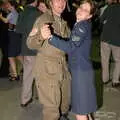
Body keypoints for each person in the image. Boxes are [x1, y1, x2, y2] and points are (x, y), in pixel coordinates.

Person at [40, 0, 97, 120]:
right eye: (81, 7)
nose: (81, 10)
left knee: (80, 113)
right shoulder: (82, 24)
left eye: (86, 10)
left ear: (90, 16)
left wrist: (50, 37)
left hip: (80, 73)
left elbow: (70, 47)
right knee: (84, 110)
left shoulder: (82, 26)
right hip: (83, 71)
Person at [27, 0, 71, 120]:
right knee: (52, 110)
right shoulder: (43, 19)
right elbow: (30, 43)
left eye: (63, 0)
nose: (61, 2)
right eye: (57, 0)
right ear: (50, 2)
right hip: (47, 70)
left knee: (64, 102)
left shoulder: (63, 21)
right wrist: (41, 36)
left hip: (62, 67)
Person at [15, 0, 47, 107]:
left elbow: (18, 29)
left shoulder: (22, 12)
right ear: (36, 2)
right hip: (38, 48)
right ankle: (41, 96)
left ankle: (25, 99)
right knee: (41, 74)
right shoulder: (38, 14)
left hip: (26, 48)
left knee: (28, 75)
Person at [0, 1, 23, 81]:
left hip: (13, 35)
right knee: (18, 54)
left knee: (10, 57)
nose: (7, 6)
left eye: (8, 5)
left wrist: (0, 16)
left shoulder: (12, 13)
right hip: (16, 35)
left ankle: (15, 75)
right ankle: (27, 68)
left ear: (12, 6)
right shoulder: (17, 13)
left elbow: (6, 21)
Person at [100, 0, 120, 87]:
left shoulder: (109, 7)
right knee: (118, 61)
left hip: (105, 37)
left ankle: (105, 79)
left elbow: (101, 20)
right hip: (117, 39)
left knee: (105, 60)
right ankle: (115, 80)